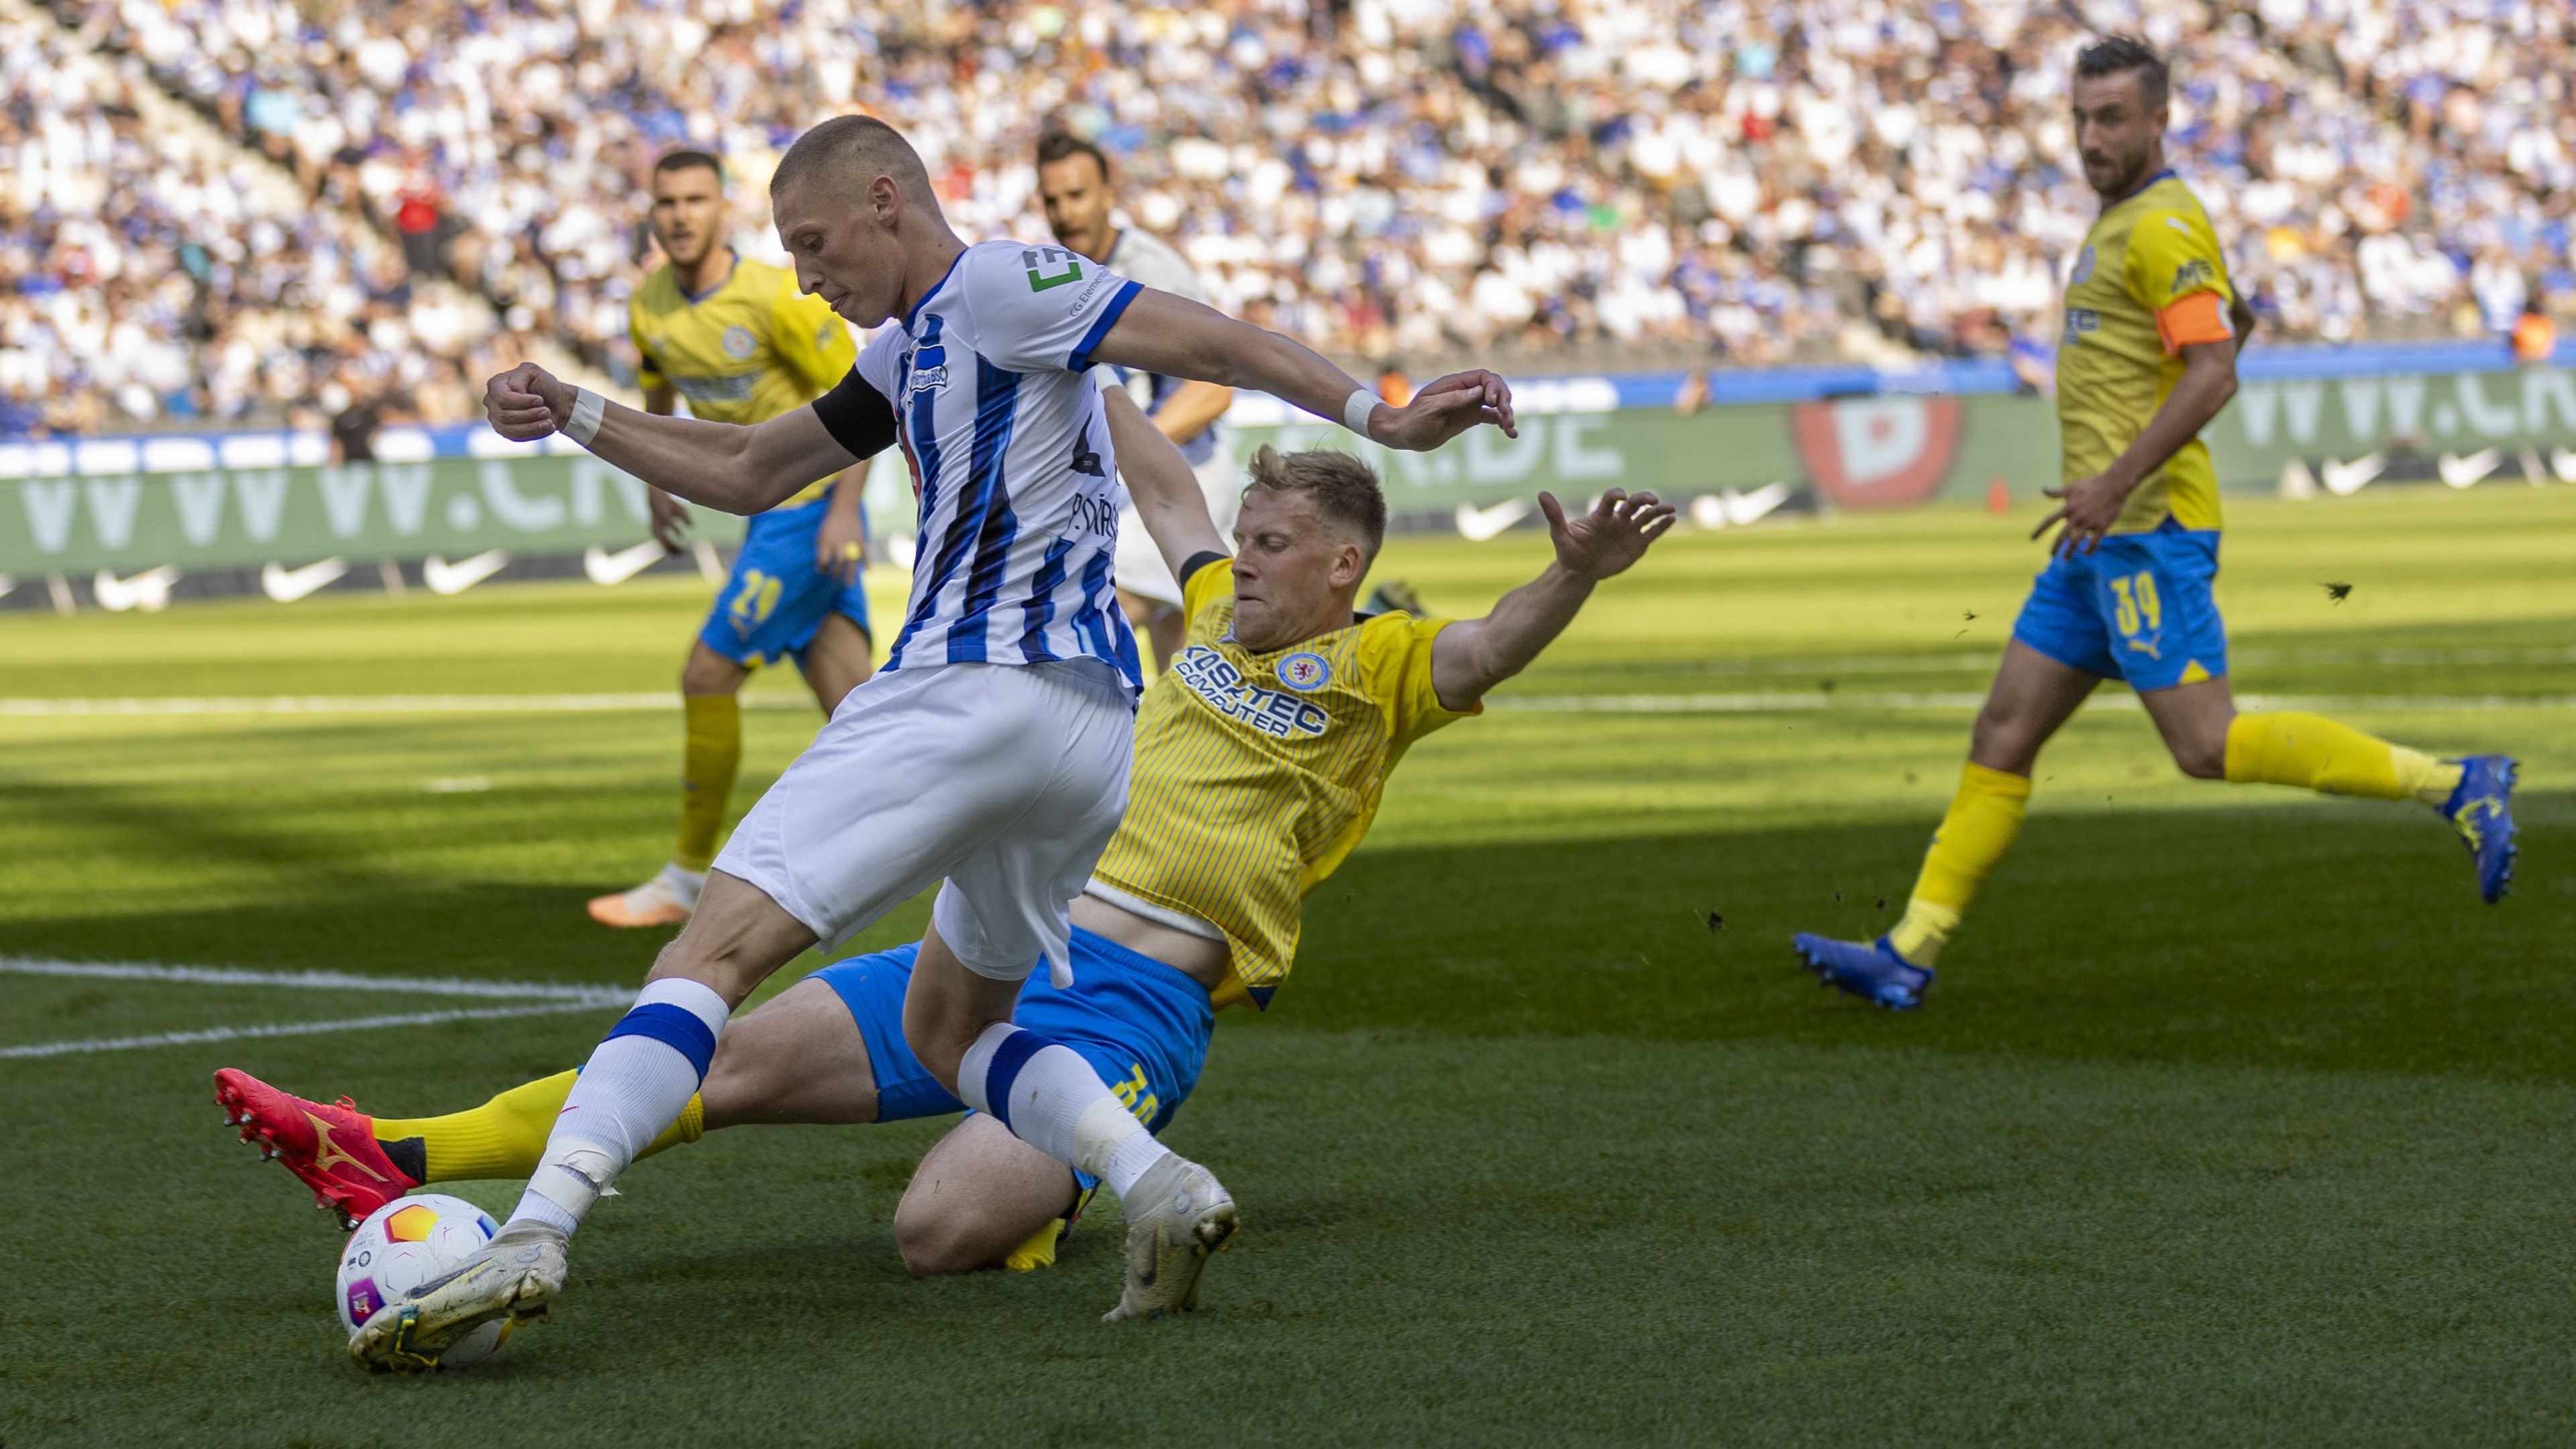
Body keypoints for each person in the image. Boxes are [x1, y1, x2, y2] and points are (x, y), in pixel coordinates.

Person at [346, 113, 1516, 1370]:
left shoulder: (1002, 283)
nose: (803, 276)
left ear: (886, 200)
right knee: (952, 1033)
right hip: (1083, 737)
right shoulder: (912, 350)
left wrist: (1376, 416)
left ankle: (532, 1232)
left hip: (969, 687)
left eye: (813, 242)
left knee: (710, 953)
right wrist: (576, 411)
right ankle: (1157, 1182)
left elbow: (1209, 336)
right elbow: (749, 467)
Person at [215, 410, 1674, 1283]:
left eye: (1276, 543)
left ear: (1343, 565)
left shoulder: (1386, 666)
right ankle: (388, 1149)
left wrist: (1572, 570)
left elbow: (1488, 646)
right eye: (1249, 536)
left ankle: (1078, 1169)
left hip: (1131, 1000)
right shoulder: (1216, 599)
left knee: (937, 1235)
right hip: (1001, 939)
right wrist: (1070, 351)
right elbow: (1161, 485)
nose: (1244, 558)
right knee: (716, 1055)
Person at [1790, 36, 2518, 1012]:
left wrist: (2112, 480)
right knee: (2001, 733)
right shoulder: (2125, 222)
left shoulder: (2158, 224)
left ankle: (2455, 782)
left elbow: (2215, 369)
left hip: (2143, 530)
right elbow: (2220, 328)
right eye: (2081, 117)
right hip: (2096, 542)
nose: (2091, 137)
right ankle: (1908, 951)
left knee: (2203, 745)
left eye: (2112, 119)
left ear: (2156, 120)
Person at [586, 149, 874, 930]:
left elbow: (863, 399)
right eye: (666, 201)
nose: (679, 214)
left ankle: (684, 876)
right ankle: (945, 846)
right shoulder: (649, 305)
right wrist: (654, 486)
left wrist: (847, 509)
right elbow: (655, 391)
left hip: (809, 509)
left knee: (706, 674)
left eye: (694, 200)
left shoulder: (772, 298)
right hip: (767, 516)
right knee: (859, 708)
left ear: (721, 211)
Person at [1035, 131, 1237, 672]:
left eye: (1076, 195)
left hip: (1185, 476)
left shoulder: (1153, 268)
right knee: (1181, 665)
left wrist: (1130, 449)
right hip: (1121, 486)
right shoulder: (1047, 273)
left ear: (1108, 193)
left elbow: (1215, 387)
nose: (1064, 212)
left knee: (1097, 610)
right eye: (1052, 200)